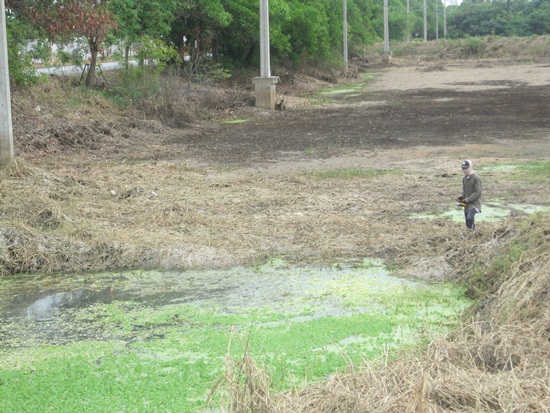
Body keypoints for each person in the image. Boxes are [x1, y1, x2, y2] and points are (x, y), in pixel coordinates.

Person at [457, 159, 482, 231]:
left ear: (470, 167)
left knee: (469, 218)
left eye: (466, 168)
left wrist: (466, 200)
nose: (464, 170)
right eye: (463, 168)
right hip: (467, 204)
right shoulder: (464, 179)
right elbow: (465, 191)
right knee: (467, 222)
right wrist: (462, 198)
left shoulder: (476, 178)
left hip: (475, 204)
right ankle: (470, 234)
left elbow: (477, 193)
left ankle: (473, 233)